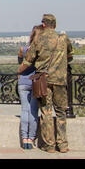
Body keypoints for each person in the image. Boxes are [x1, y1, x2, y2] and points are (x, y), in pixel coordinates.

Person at [17, 14, 73, 153]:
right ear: (55, 25)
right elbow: (70, 56)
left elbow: (28, 61)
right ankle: (63, 144)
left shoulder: (39, 39)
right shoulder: (63, 38)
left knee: (46, 112)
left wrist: (19, 71)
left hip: (44, 80)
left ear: (43, 24)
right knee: (61, 112)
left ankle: (49, 145)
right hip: (60, 80)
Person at [17, 25, 42, 149]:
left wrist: (20, 73)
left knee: (24, 110)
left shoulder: (23, 49)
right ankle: (31, 139)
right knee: (33, 111)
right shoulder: (41, 51)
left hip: (22, 81)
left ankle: (24, 138)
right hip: (36, 82)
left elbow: (20, 62)